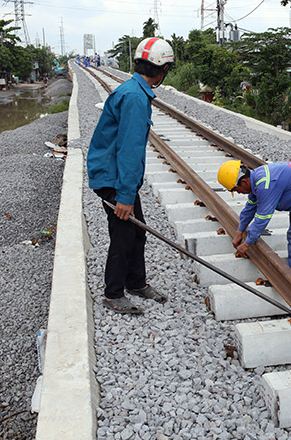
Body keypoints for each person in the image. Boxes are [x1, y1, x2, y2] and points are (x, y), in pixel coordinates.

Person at [87, 37, 175, 314]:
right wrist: (125, 196)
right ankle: (113, 294)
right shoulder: (136, 97)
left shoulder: (134, 90)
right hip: (113, 177)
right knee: (124, 235)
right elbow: (128, 150)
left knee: (136, 233)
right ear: (161, 70)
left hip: (114, 173)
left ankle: (136, 283)